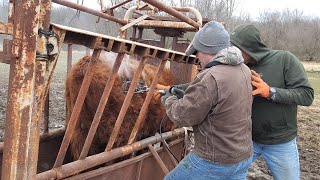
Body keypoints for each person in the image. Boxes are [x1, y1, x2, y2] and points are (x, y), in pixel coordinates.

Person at [160, 21, 253, 180]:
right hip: (242, 155)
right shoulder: (244, 69)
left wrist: (168, 99)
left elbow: (182, 116)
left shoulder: (210, 77)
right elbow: (220, 97)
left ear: (206, 50)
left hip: (214, 160)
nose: (196, 56)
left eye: (196, 51)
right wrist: (186, 92)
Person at [230, 24, 314, 180]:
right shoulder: (240, 66)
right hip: (248, 140)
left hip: (280, 142)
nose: (233, 51)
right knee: (230, 176)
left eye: (237, 47)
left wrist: (270, 92)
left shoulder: (284, 59)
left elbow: (307, 95)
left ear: (250, 47)